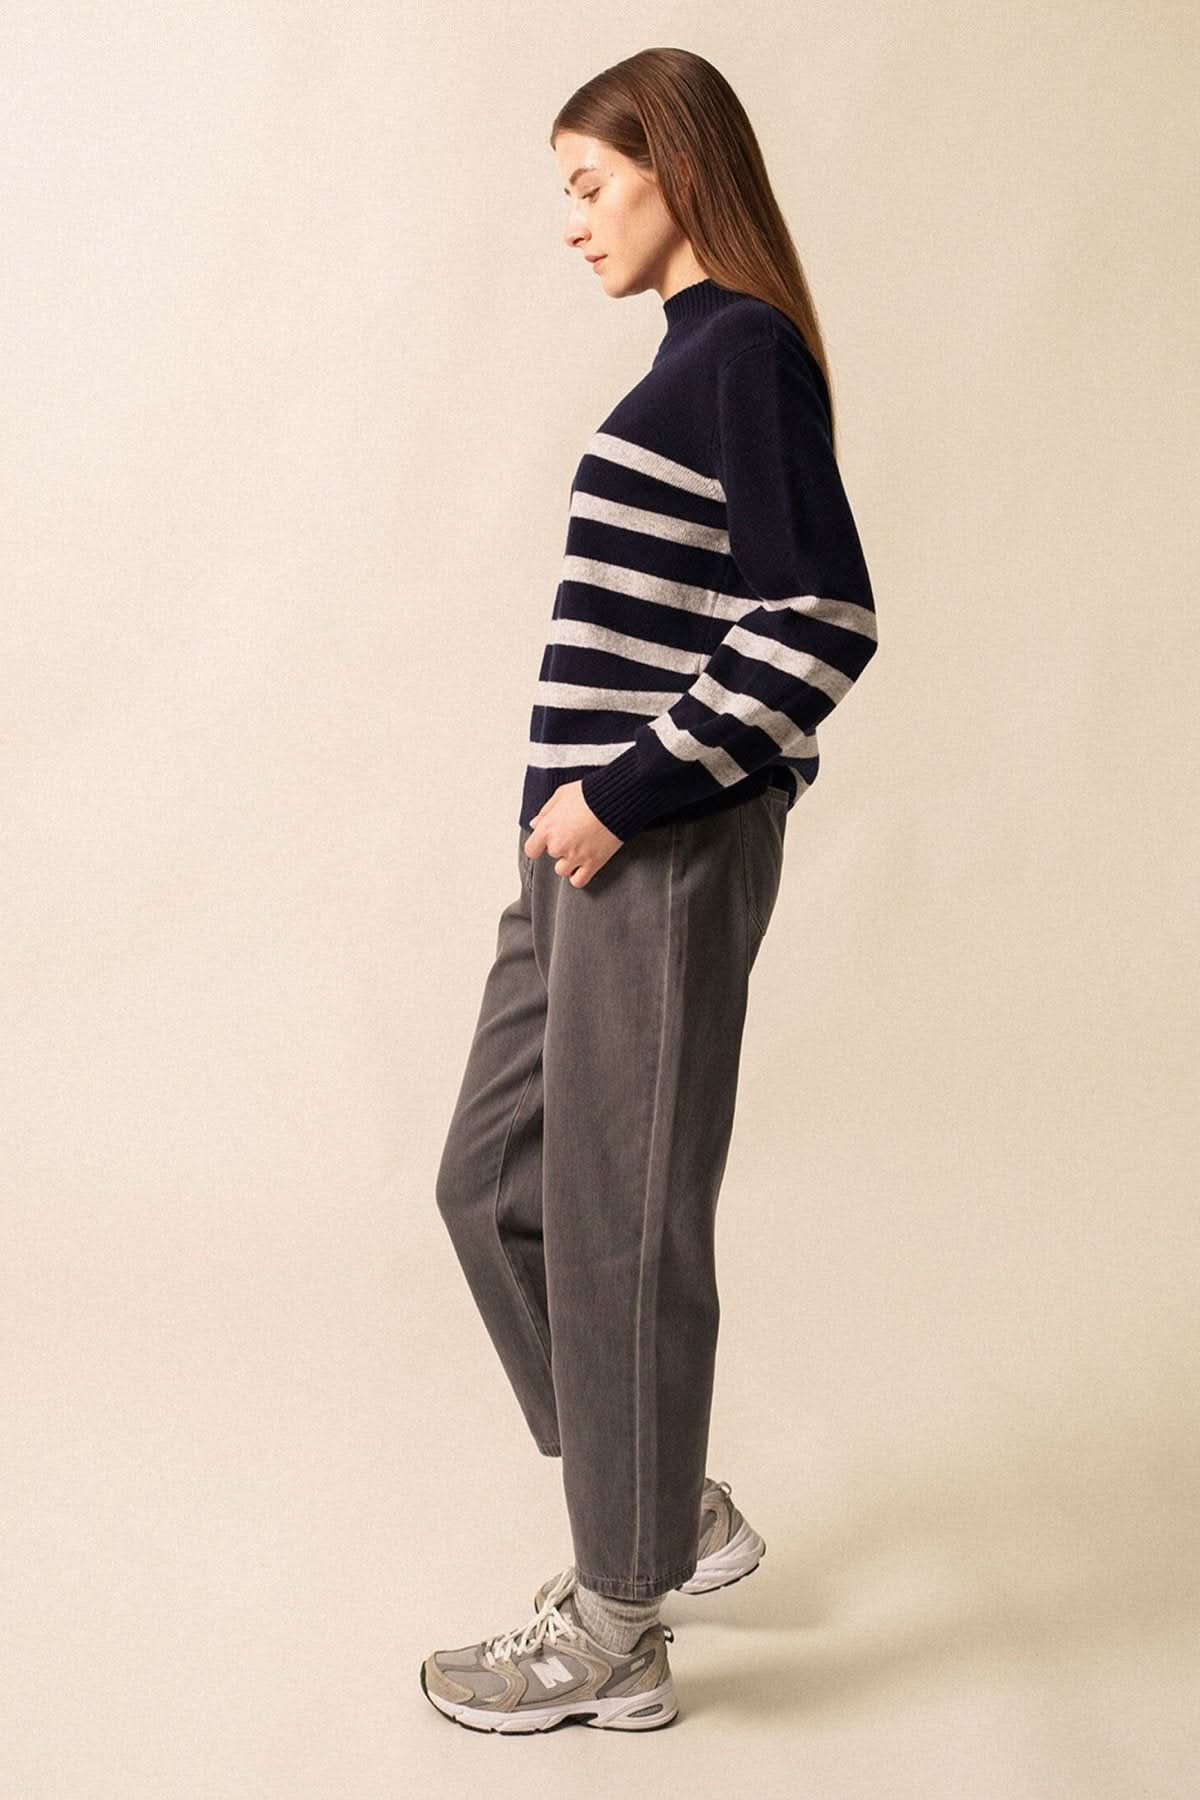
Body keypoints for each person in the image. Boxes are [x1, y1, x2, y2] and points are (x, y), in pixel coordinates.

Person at [421, 45, 879, 1733]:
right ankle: (660, 1503)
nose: (572, 220)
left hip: (656, 852)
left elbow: (821, 621)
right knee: (492, 1189)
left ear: (677, 170)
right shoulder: (685, 363)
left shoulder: (743, 350)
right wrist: (569, 821)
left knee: (619, 1228)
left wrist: (622, 796)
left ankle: (619, 1624)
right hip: (573, 859)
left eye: (591, 183)